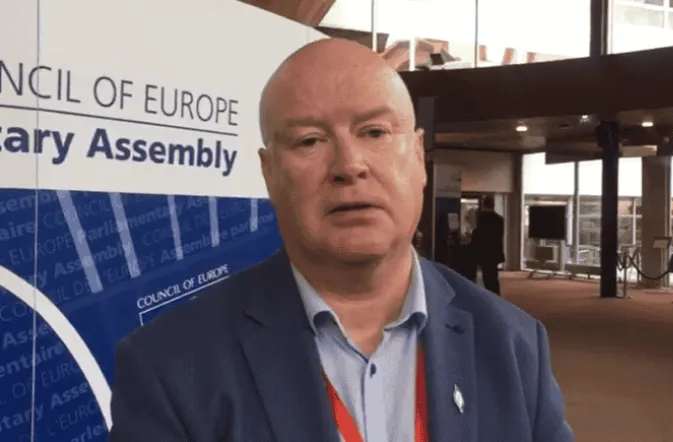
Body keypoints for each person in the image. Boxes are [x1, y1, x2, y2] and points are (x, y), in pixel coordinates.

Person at [109, 38, 573, 442]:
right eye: (310, 141)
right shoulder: (170, 365)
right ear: (269, 173)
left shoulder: (514, 343)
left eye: (375, 132)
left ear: (417, 156)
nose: (349, 164)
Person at [470, 195, 505, 295]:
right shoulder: (500, 219)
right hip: (495, 252)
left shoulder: (482, 218)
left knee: (487, 277)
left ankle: (491, 296)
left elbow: (479, 235)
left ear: (484, 205)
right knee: (493, 275)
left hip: (484, 252)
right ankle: (496, 295)